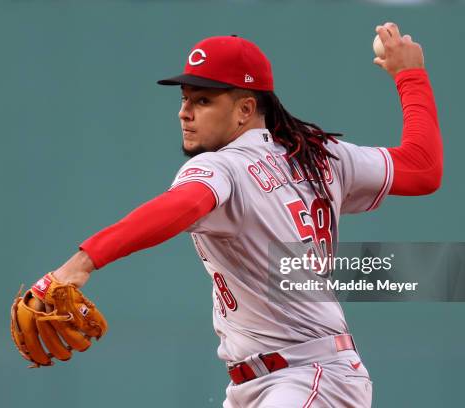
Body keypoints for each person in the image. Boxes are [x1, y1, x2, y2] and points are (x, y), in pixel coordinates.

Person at [38, 22, 443, 407]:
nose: (185, 112)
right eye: (184, 98)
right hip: (286, 380)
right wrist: (410, 76)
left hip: (304, 377)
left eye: (203, 100)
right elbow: (423, 168)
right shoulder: (320, 156)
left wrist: (82, 262)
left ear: (245, 108)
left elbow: (184, 204)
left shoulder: (223, 166)